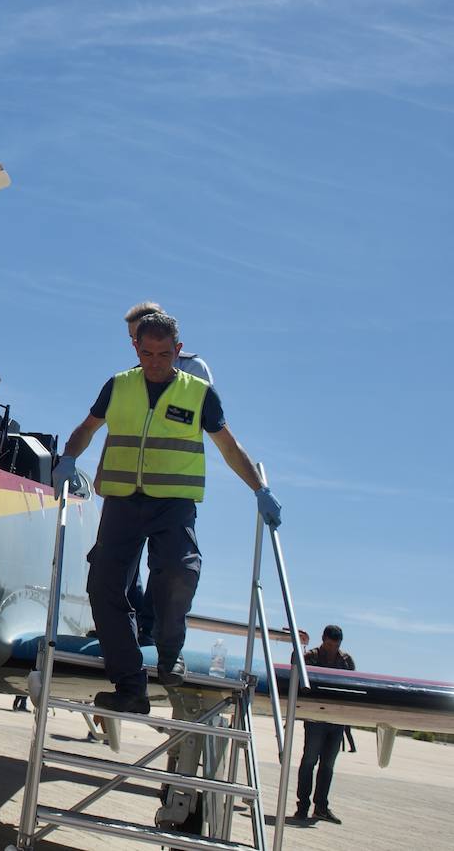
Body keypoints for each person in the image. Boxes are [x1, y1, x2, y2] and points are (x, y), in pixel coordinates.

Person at [51, 312, 281, 714]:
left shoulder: (199, 393)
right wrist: (68, 458)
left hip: (173, 503)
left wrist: (260, 489)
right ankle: (130, 686)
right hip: (123, 502)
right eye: (147, 353)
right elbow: (87, 428)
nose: (155, 362)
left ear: (178, 350)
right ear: (135, 348)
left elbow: (229, 447)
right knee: (103, 584)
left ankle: (169, 650)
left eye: (163, 353)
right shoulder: (118, 386)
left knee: (177, 571)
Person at [122, 301, 213, 647]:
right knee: (122, 560)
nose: (134, 344)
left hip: (173, 484)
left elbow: (198, 415)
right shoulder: (132, 376)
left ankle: (153, 629)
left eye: (137, 335)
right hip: (133, 482)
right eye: (131, 339)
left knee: (167, 565)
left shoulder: (194, 368)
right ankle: (125, 625)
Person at [295, 624, 355, 824]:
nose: (332, 649)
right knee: (309, 761)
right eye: (329, 644)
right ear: (323, 640)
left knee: (328, 765)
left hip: (336, 720)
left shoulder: (346, 661)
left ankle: (321, 807)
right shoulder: (310, 657)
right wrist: (298, 644)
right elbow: (295, 669)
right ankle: (302, 807)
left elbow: (352, 686)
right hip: (314, 718)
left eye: (335, 645)